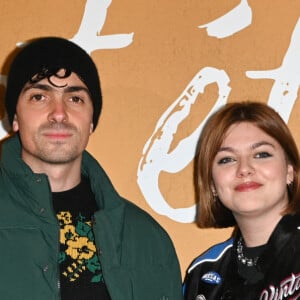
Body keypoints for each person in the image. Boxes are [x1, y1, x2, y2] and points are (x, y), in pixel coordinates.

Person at [0, 36, 183, 300]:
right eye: (39, 96)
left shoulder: (147, 239)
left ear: (91, 122)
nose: (59, 113)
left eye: (75, 99)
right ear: (15, 117)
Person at [183, 102, 300, 300]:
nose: (244, 169)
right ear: (212, 183)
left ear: (290, 171)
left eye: (261, 154)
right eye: (227, 159)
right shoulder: (203, 273)